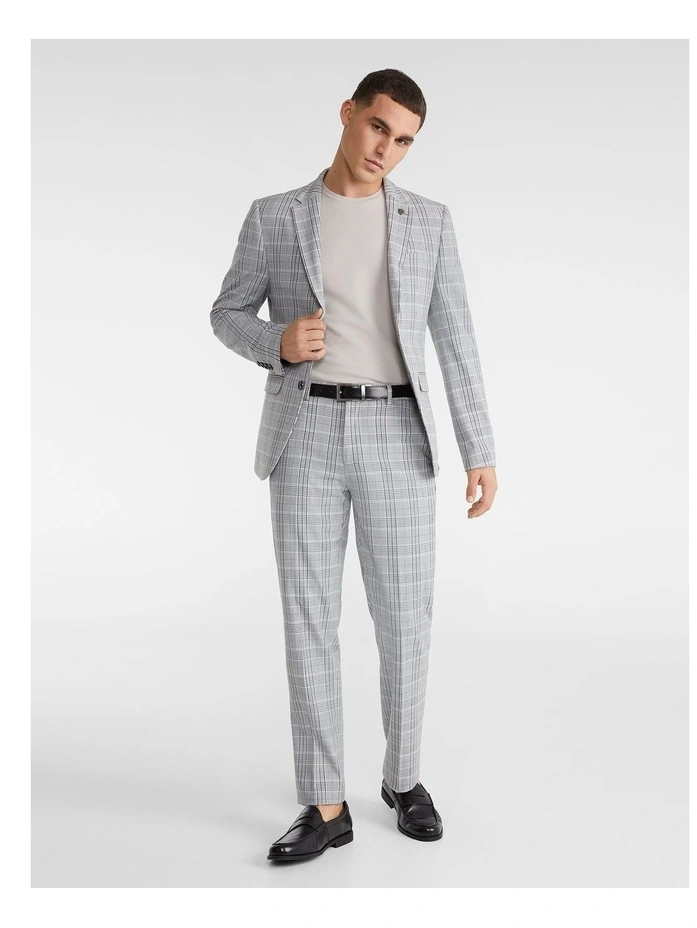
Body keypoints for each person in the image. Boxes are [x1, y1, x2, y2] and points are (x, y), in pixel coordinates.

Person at [210, 68, 498, 862]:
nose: (386, 150)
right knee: (308, 619)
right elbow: (226, 311)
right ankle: (325, 802)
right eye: (378, 127)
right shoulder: (275, 216)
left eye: (404, 140)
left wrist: (480, 449)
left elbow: (456, 337)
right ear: (348, 113)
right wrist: (274, 342)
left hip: (397, 432)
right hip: (303, 430)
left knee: (405, 620)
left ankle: (404, 780)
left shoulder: (428, 221)